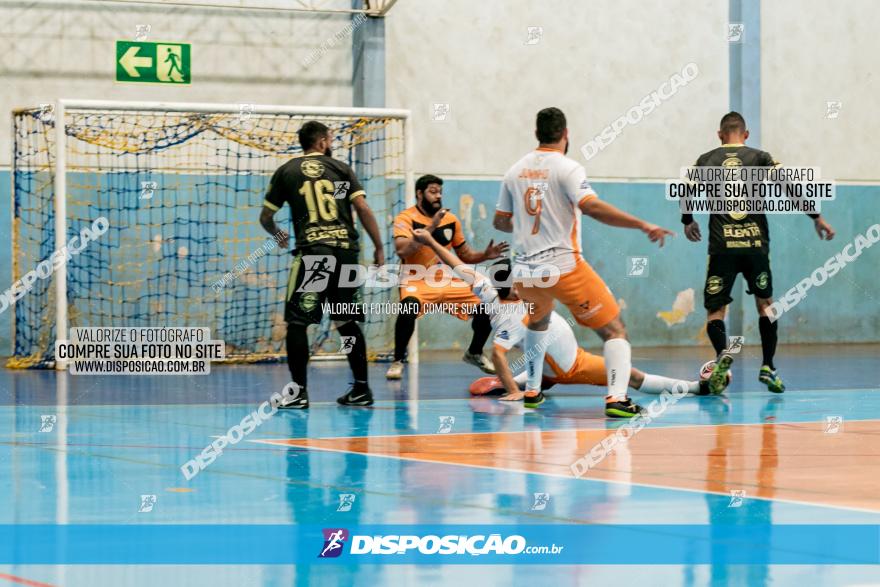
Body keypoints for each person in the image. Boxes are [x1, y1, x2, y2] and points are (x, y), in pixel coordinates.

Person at [492, 107, 698, 417]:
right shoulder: (568, 168)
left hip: (525, 273)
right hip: (563, 267)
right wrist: (642, 225)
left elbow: (500, 222)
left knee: (538, 322)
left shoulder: (514, 171)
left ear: (537, 134)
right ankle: (617, 399)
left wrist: (527, 223)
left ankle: (532, 391)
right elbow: (592, 207)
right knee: (615, 330)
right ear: (566, 134)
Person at [409, 225, 728, 405]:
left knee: (542, 374)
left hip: (547, 367)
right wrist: (513, 392)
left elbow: (459, 267)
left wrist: (429, 241)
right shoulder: (515, 317)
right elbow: (498, 351)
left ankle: (518, 383)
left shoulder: (490, 293)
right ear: (517, 287)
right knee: (630, 375)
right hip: (569, 366)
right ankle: (697, 389)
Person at [682, 112, 835, 393]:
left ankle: (721, 358)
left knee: (716, 310)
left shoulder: (705, 160)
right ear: (746, 134)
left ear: (719, 135)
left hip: (722, 247)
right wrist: (816, 216)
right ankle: (768, 366)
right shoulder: (761, 157)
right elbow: (789, 186)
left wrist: (687, 220)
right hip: (755, 246)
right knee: (766, 304)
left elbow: (686, 191)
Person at [259, 120, 385, 408]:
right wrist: (379, 247)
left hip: (315, 255)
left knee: (298, 323)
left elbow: (265, 217)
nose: (331, 143)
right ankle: (362, 390)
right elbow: (362, 208)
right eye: (330, 139)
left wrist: (279, 234)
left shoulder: (287, 171)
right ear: (322, 142)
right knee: (346, 321)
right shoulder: (340, 169)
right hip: (345, 254)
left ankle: (299, 393)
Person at [386, 174, 508, 379]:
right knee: (408, 307)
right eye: (433, 191)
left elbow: (466, 255)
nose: (438, 196)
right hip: (416, 280)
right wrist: (432, 226)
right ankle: (398, 360)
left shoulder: (451, 220)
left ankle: (474, 352)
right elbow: (402, 251)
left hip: (447, 280)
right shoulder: (405, 218)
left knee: (488, 304)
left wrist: (485, 255)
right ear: (419, 194)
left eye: (440, 192)